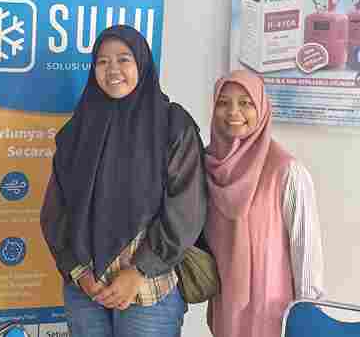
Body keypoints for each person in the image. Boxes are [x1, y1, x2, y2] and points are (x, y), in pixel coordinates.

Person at [40, 25, 207, 337]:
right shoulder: (77, 130)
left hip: (147, 288)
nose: (112, 69)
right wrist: (78, 271)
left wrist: (140, 270)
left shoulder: (172, 124)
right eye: (102, 62)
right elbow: (55, 210)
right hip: (86, 290)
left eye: (123, 59)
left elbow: (187, 208)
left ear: (141, 63)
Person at [205, 70, 324, 337]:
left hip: (273, 311)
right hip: (227, 307)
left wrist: (308, 314)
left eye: (245, 103)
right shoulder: (209, 167)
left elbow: (305, 249)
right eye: (223, 103)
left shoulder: (286, 170)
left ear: (261, 108)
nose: (233, 112)